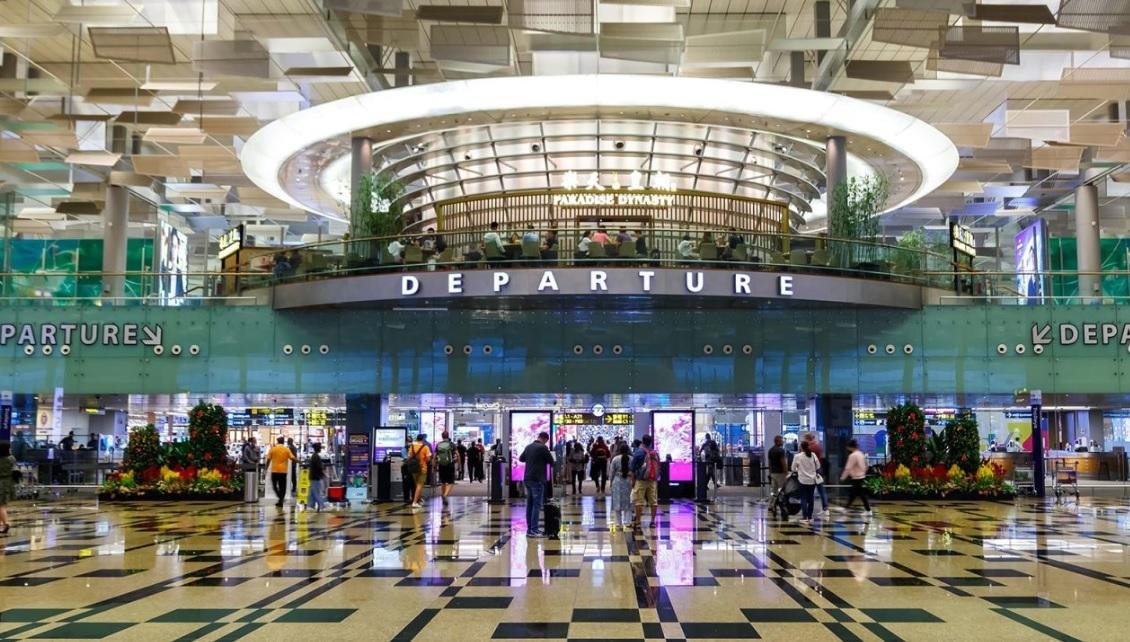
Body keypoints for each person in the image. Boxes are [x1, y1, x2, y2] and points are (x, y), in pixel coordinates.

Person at [518, 431, 553, 538]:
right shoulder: (543, 448)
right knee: (536, 505)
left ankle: (530, 529)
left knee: (530, 505)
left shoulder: (529, 447)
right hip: (537, 479)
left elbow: (521, 458)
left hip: (527, 479)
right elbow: (551, 461)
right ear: (545, 439)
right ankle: (534, 530)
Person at [630, 434, 660, 530]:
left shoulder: (638, 452)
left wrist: (633, 481)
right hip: (652, 480)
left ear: (642, 441)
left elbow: (632, 469)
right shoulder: (654, 453)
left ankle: (638, 521)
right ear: (650, 442)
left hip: (641, 480)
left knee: (639, 501)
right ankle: (652, 522)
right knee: (653, 501)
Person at [791, 440, 820, 524]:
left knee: (803, 498)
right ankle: (810, 517)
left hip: (802, 480)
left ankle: (804, 517)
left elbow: (793, 468)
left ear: (801, 447)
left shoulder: (797, 456)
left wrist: (798, 469)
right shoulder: (813, 455)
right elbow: (818, 466)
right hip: (812, 480)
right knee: (811, 498)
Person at [839, 439, 871, 515]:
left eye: (848, 447)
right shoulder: (860, 454)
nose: (847, 449)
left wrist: (843, 477)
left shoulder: (853, 456)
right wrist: (864, 472)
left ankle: (868, 510)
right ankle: (867, 510)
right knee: (856, 494)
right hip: (861, 476)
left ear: (850, 447)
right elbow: (866, 465)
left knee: (857, 494)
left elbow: (848, 468)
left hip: (856, 477)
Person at [802, 432, 829, 517]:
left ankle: (807, 513)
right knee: (821, 490)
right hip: (818, 471)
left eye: (805, 439)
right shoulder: (818, 447)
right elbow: (822, 458)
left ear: (808, 439)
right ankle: (825, 509)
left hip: (810, 472)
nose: (803, 440)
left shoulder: (809, 448)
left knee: (809, 492)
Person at [266, 436, 297, 507]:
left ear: (277, 441)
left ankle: (280, 498)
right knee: (282, 487)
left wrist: (266, 468)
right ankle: (281, 499)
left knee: (274, 485)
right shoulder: (286, 449)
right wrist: (299, 461)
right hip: (283, 471)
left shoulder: (273, 449)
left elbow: (268, 459)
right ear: (283, 442)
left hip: (275, 470)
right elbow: (292, 458)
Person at [609, 443, 633, 529]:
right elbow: (634, 471)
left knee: (617, 502)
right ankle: (628, 521)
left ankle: (618, 523)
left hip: (617, 482)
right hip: (628, 482)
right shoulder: (631, 459)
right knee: (628, 502)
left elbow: (611, 472)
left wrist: (611, 482)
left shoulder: (615, 459)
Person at [407, 434, 432, 509]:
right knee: (420, 485)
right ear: (423, 439)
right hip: (422, 468)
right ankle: (414, 502)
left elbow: (409, 456)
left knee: (417, 485)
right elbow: (428, 459)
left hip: (413, 468)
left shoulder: (412, 447)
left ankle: (420, 499)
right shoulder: (425, 447)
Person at [434, 431, 457, 506]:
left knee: (443, 482)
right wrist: (459, 465)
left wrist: (434, 465)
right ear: (448, 436)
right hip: (450, 465)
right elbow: (458, 454)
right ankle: (445, 495)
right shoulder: (451, 444)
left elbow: (435, 456)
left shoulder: (439, 444)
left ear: (442, 436)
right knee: (451, 482)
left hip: (441, 465)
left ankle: (443, 494)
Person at [308, 442, 327, 512]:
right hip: (315, 477)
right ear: (317, 448)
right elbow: (319, 467)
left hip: (313, 476)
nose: (320, 448)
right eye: (320, 447)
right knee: (316, 493)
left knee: (312, 492)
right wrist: (323, 474)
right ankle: (322, 505)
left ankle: (311, 505)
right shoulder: (316, 456)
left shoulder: (314, 456)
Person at [0, 441, 14, 535]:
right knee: (3, 505)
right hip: (8, 483)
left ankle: (6, 523)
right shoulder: (12, 458)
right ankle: (1, 523)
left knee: (1, 506)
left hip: (0, 483)